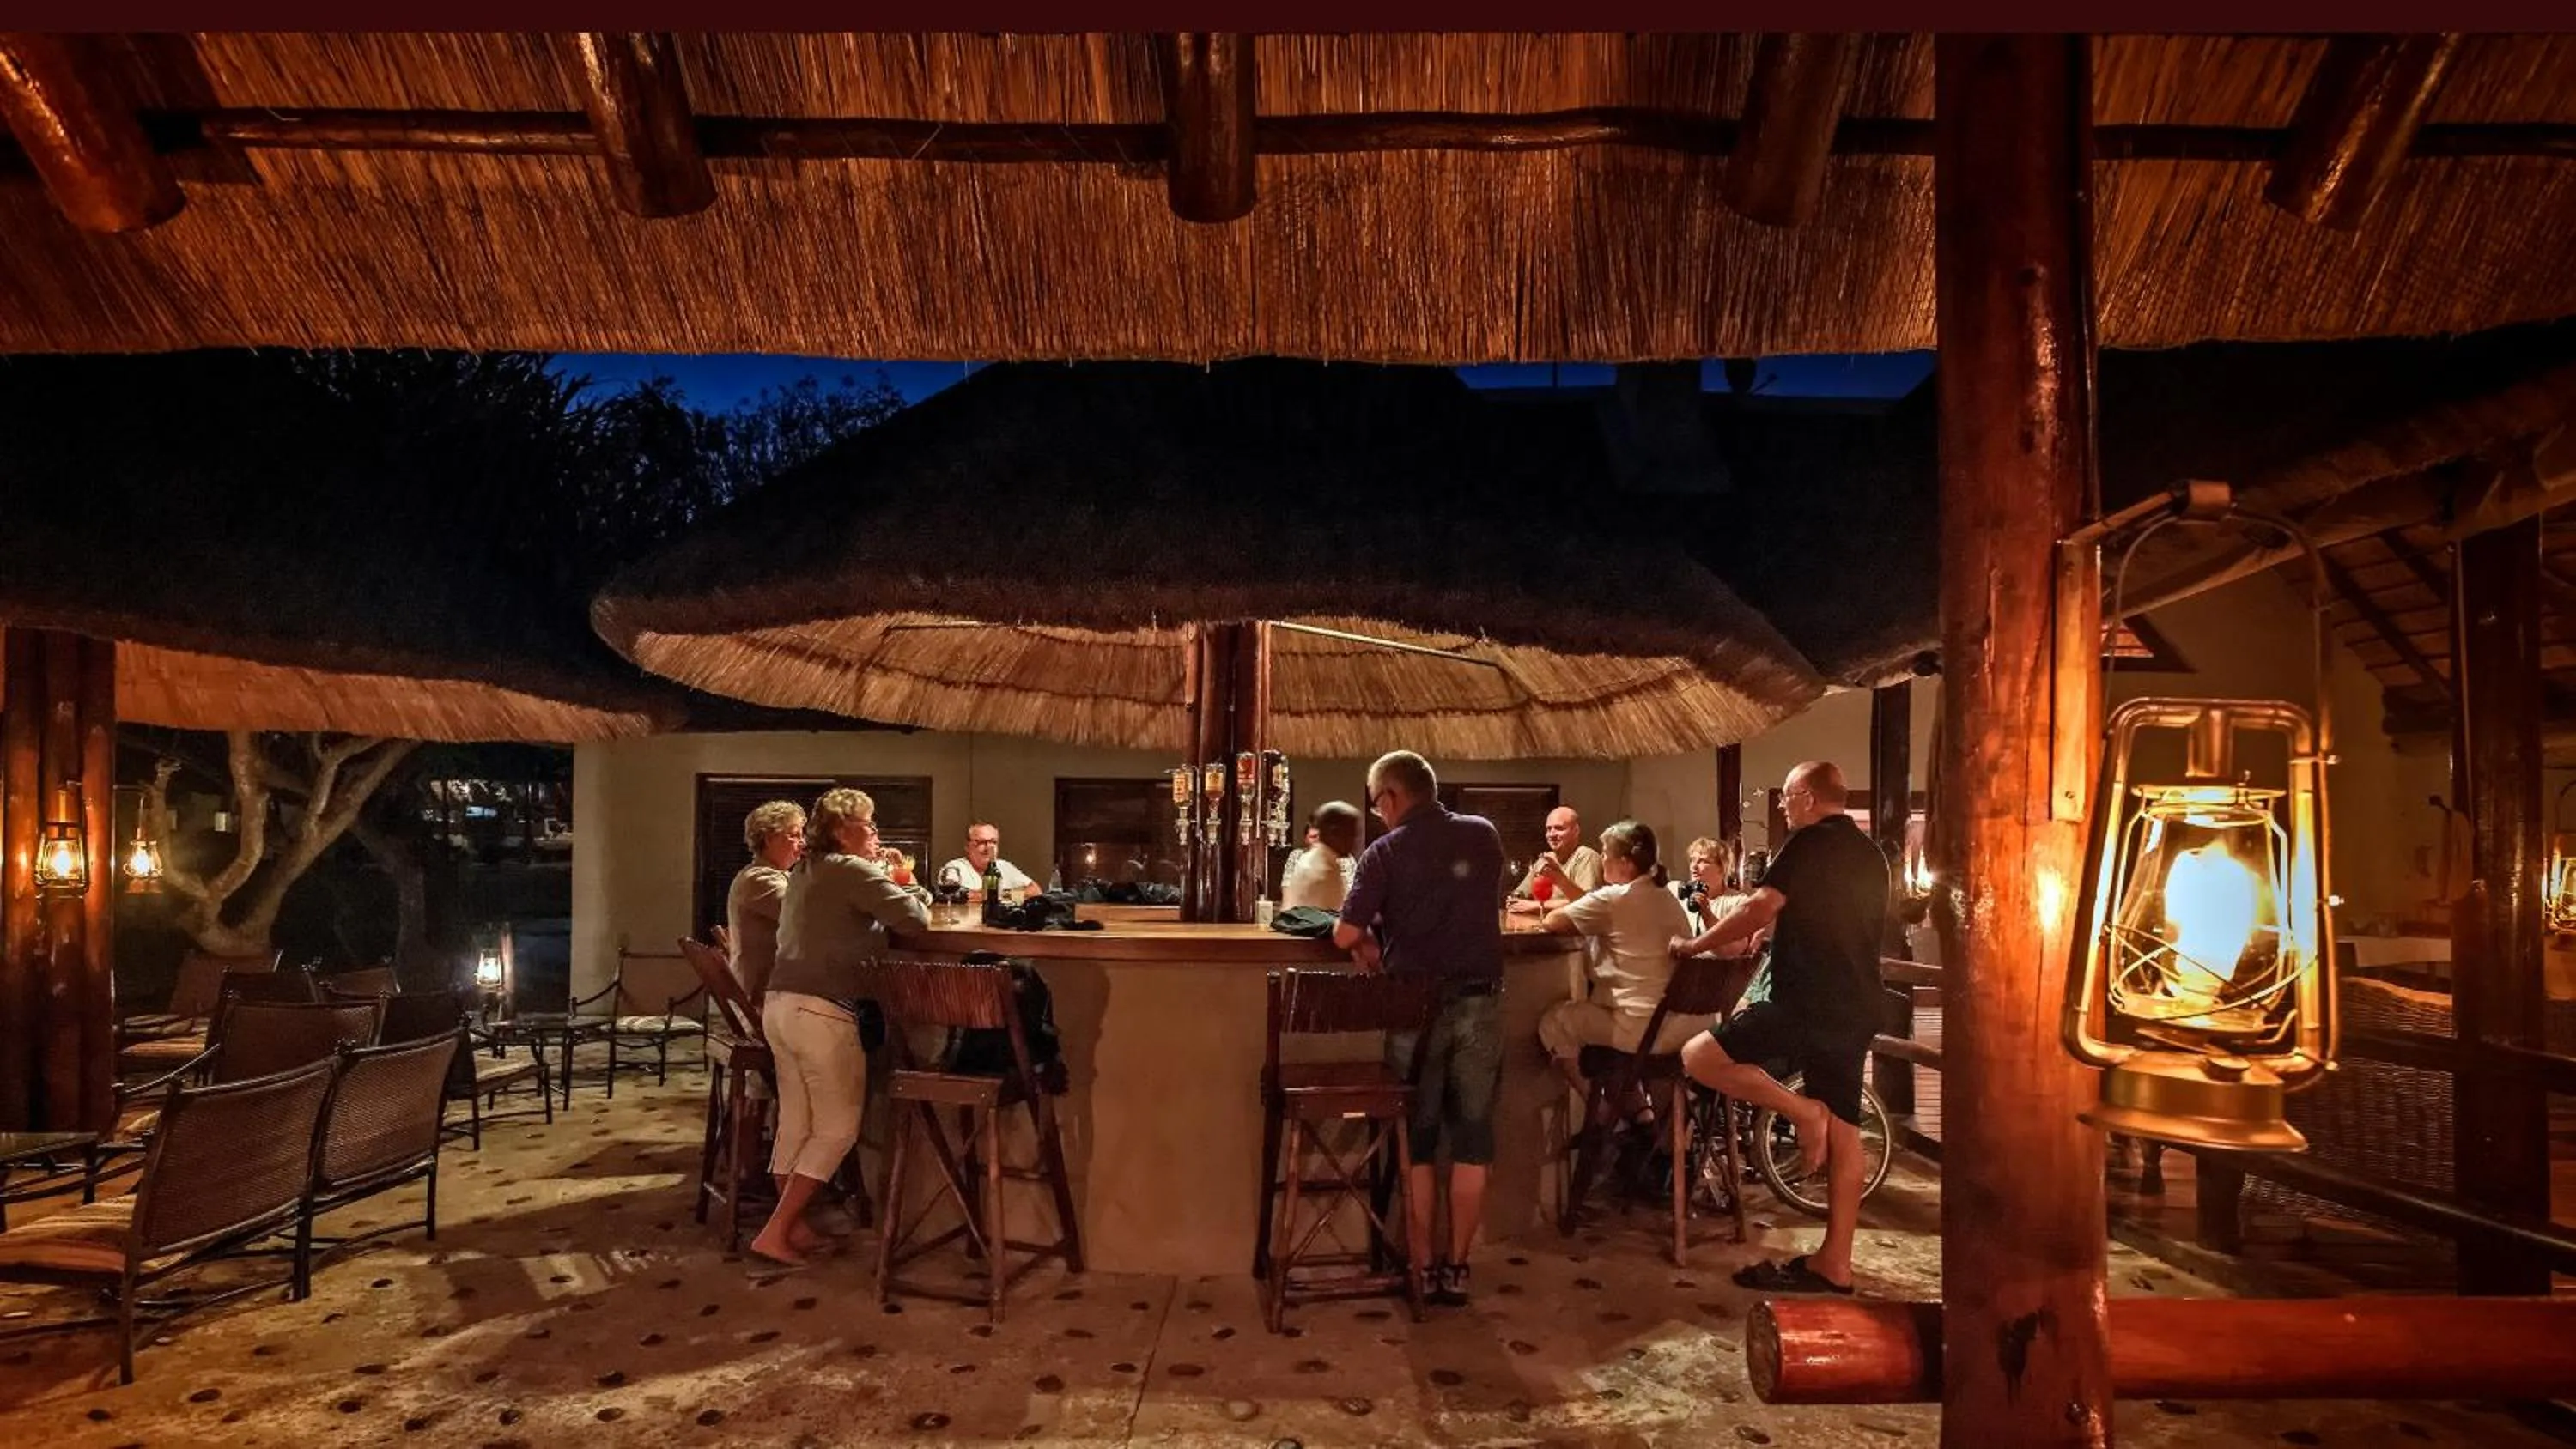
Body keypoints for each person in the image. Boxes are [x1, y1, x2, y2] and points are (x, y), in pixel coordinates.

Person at [1669, 761, 1888, 1296]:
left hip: (1806, 1001)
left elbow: (1760, 905)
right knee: (1845, 1133)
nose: (1786, 810)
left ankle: (1799, 1110)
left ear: (1808, 797)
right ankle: (1836, 1262)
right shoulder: (1872, 854)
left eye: (1789, 800)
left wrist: (1694, 946)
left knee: (1700, 1056)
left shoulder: (1809, 842)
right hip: (1857, 1002)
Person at [1334, 750, 1507, 1308]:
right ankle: (1458, 1267)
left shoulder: (1384, 852)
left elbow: (1343, 933)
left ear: (1390, 797)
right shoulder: (1484, 835)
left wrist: (1365, 938)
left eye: (1375, 803)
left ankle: (1423, 1266)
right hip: (1482, 1005)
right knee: (1474, 1141)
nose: (1375, 813)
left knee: (1421, 1142)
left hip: (1417, 1010)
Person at [750, 787, 930, 1268]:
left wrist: (888, 879)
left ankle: (796, 1227)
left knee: (796, 1123)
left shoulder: (807, 870)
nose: (875, 832)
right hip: (823, 1011)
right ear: (838, 832)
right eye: (866, 825)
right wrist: (904, 881)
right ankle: (776, 1231)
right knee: (836, 1131)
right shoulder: (851, 870)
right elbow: (914, 919)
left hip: (781, 1006)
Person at [1535, 821, 1710, 1106]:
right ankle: (1638, 1113)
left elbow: (1553, 921)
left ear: (1626, 863)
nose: (1602, 858)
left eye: (1606, 852)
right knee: (1603, 1020)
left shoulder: (1615, 899)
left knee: (1555, 1023)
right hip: (1684, 1026)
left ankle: (1606, 1118)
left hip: (1643, 1030)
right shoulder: (1665, 896)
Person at [725, 800, 804, 1005]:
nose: (802, 843)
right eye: (794, 835)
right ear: (770, 839)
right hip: (764, 1000)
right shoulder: (758, 879)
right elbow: (806, 913)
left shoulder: (776, 875)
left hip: (777, 991)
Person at [1507, 805, 1603, 912]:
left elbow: (1589, 902)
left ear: (1576, 831)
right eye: (1549, 829)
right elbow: (1520, 895)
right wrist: (1514, 900)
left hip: (1570, 929)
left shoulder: (1586, 856)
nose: (1552, 834)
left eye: (1559, 828)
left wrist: (1538, 906)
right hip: (1540, 926)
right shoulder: (1545, 859)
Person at [1279, 800, 1361, 912]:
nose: (1355, 841)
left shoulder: (1329, 860)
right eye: (1351, 834)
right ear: (1334, 832)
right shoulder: (1321, 869)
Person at [936, 822, 1042, 903]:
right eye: (981, 842)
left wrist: (1002, 894)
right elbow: (957, 896)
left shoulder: (1004, 866)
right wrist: (1015, 895)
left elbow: (1035, 891)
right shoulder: (955, 867)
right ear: (967, 846)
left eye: (993, 842)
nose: (988, 848)